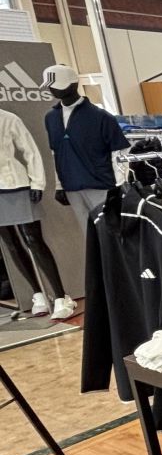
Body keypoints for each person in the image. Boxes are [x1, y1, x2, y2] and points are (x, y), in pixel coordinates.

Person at [0, 106, 74, 318]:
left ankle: (60, 296)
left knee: (34, 240)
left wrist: (37, 183)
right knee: (11, 245)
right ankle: (38, 294)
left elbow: (29, 150)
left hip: (16, 185)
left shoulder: (8, 118)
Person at [41, 64, 128, 231]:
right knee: (88, 233)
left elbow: (119, 152)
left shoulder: (101, 116)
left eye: (56, 85)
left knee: (110, 232)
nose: (52, 90)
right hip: (71, 185)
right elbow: (55, 153)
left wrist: (119, 184)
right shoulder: (51, 118)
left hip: (102, 184)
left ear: (74, 84)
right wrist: (59, 185)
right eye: (50, 86)